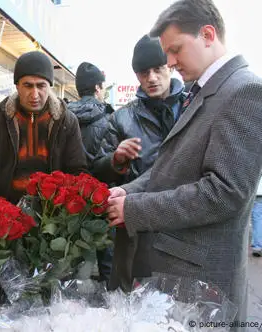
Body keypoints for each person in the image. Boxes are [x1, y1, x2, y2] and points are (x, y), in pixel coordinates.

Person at [105, 0, 262, 327]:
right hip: (179, 272)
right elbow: (168, 168)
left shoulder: (246, 92)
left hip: (201, 283)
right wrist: (125, 192)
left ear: (208, 35)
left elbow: (222, 193)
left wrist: (135, 209)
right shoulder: (207, 90)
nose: (169, 62)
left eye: (175, 49)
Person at [93, 35, 187, 292]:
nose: (152, 78)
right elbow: (97, 170)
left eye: (158, 69)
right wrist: (116, 160)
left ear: (170, 67)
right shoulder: (122, 118)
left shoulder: (193, 108)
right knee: (131, 297)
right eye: (144, 73)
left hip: (184, 217)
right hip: (136, 224)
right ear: (136, 76)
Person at [0, 51, 88, 204]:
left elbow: (77, 170)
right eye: (28, 85)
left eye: (41, 86)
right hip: (5, 209)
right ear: (17, 86)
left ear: (49, 86)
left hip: (51, 211)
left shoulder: (67, 121)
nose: (34, 94)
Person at [67, 61, 115, 283]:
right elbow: (111, 162)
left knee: (72, 248)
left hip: (70, 196)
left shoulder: (65, 117)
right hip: (102, 193)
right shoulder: (108, 119)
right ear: (97, 88)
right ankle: (110, 299)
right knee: (106, 248)